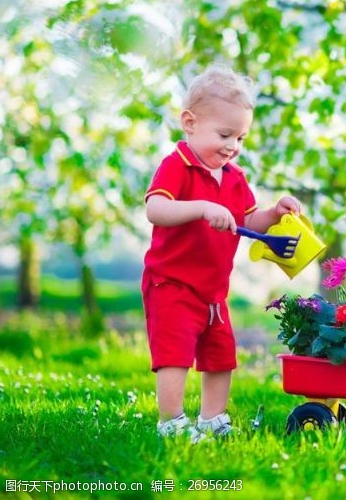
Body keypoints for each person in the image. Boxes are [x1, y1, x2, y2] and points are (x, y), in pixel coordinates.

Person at [142, 65, 301, 440]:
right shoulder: (176, 165)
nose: (233, 146)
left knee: (220, 357)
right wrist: (200, 207)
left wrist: (275, 213)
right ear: (190, 123)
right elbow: (156, 210)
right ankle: (172, 422)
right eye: (225, 134)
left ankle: (212, 419)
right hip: (172, 283)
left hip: (213, 291)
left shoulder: (234, 176)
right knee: (175, 355)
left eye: (241, 137)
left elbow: (250, 222)